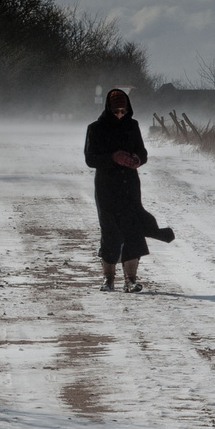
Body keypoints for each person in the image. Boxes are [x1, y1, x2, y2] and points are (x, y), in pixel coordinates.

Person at [83, 87, 170, 292]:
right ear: (109, 109)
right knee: (110, 230)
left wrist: (137, 160)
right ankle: (108, 278)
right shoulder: (95, 128)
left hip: (129, 184)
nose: (120, 115)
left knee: (133, 229)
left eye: (123, 110)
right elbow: (90, 159)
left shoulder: (133, 126)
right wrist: (113, 157)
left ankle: (131, 279)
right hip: (106, 186)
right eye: (116, 111)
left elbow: (143, 153)